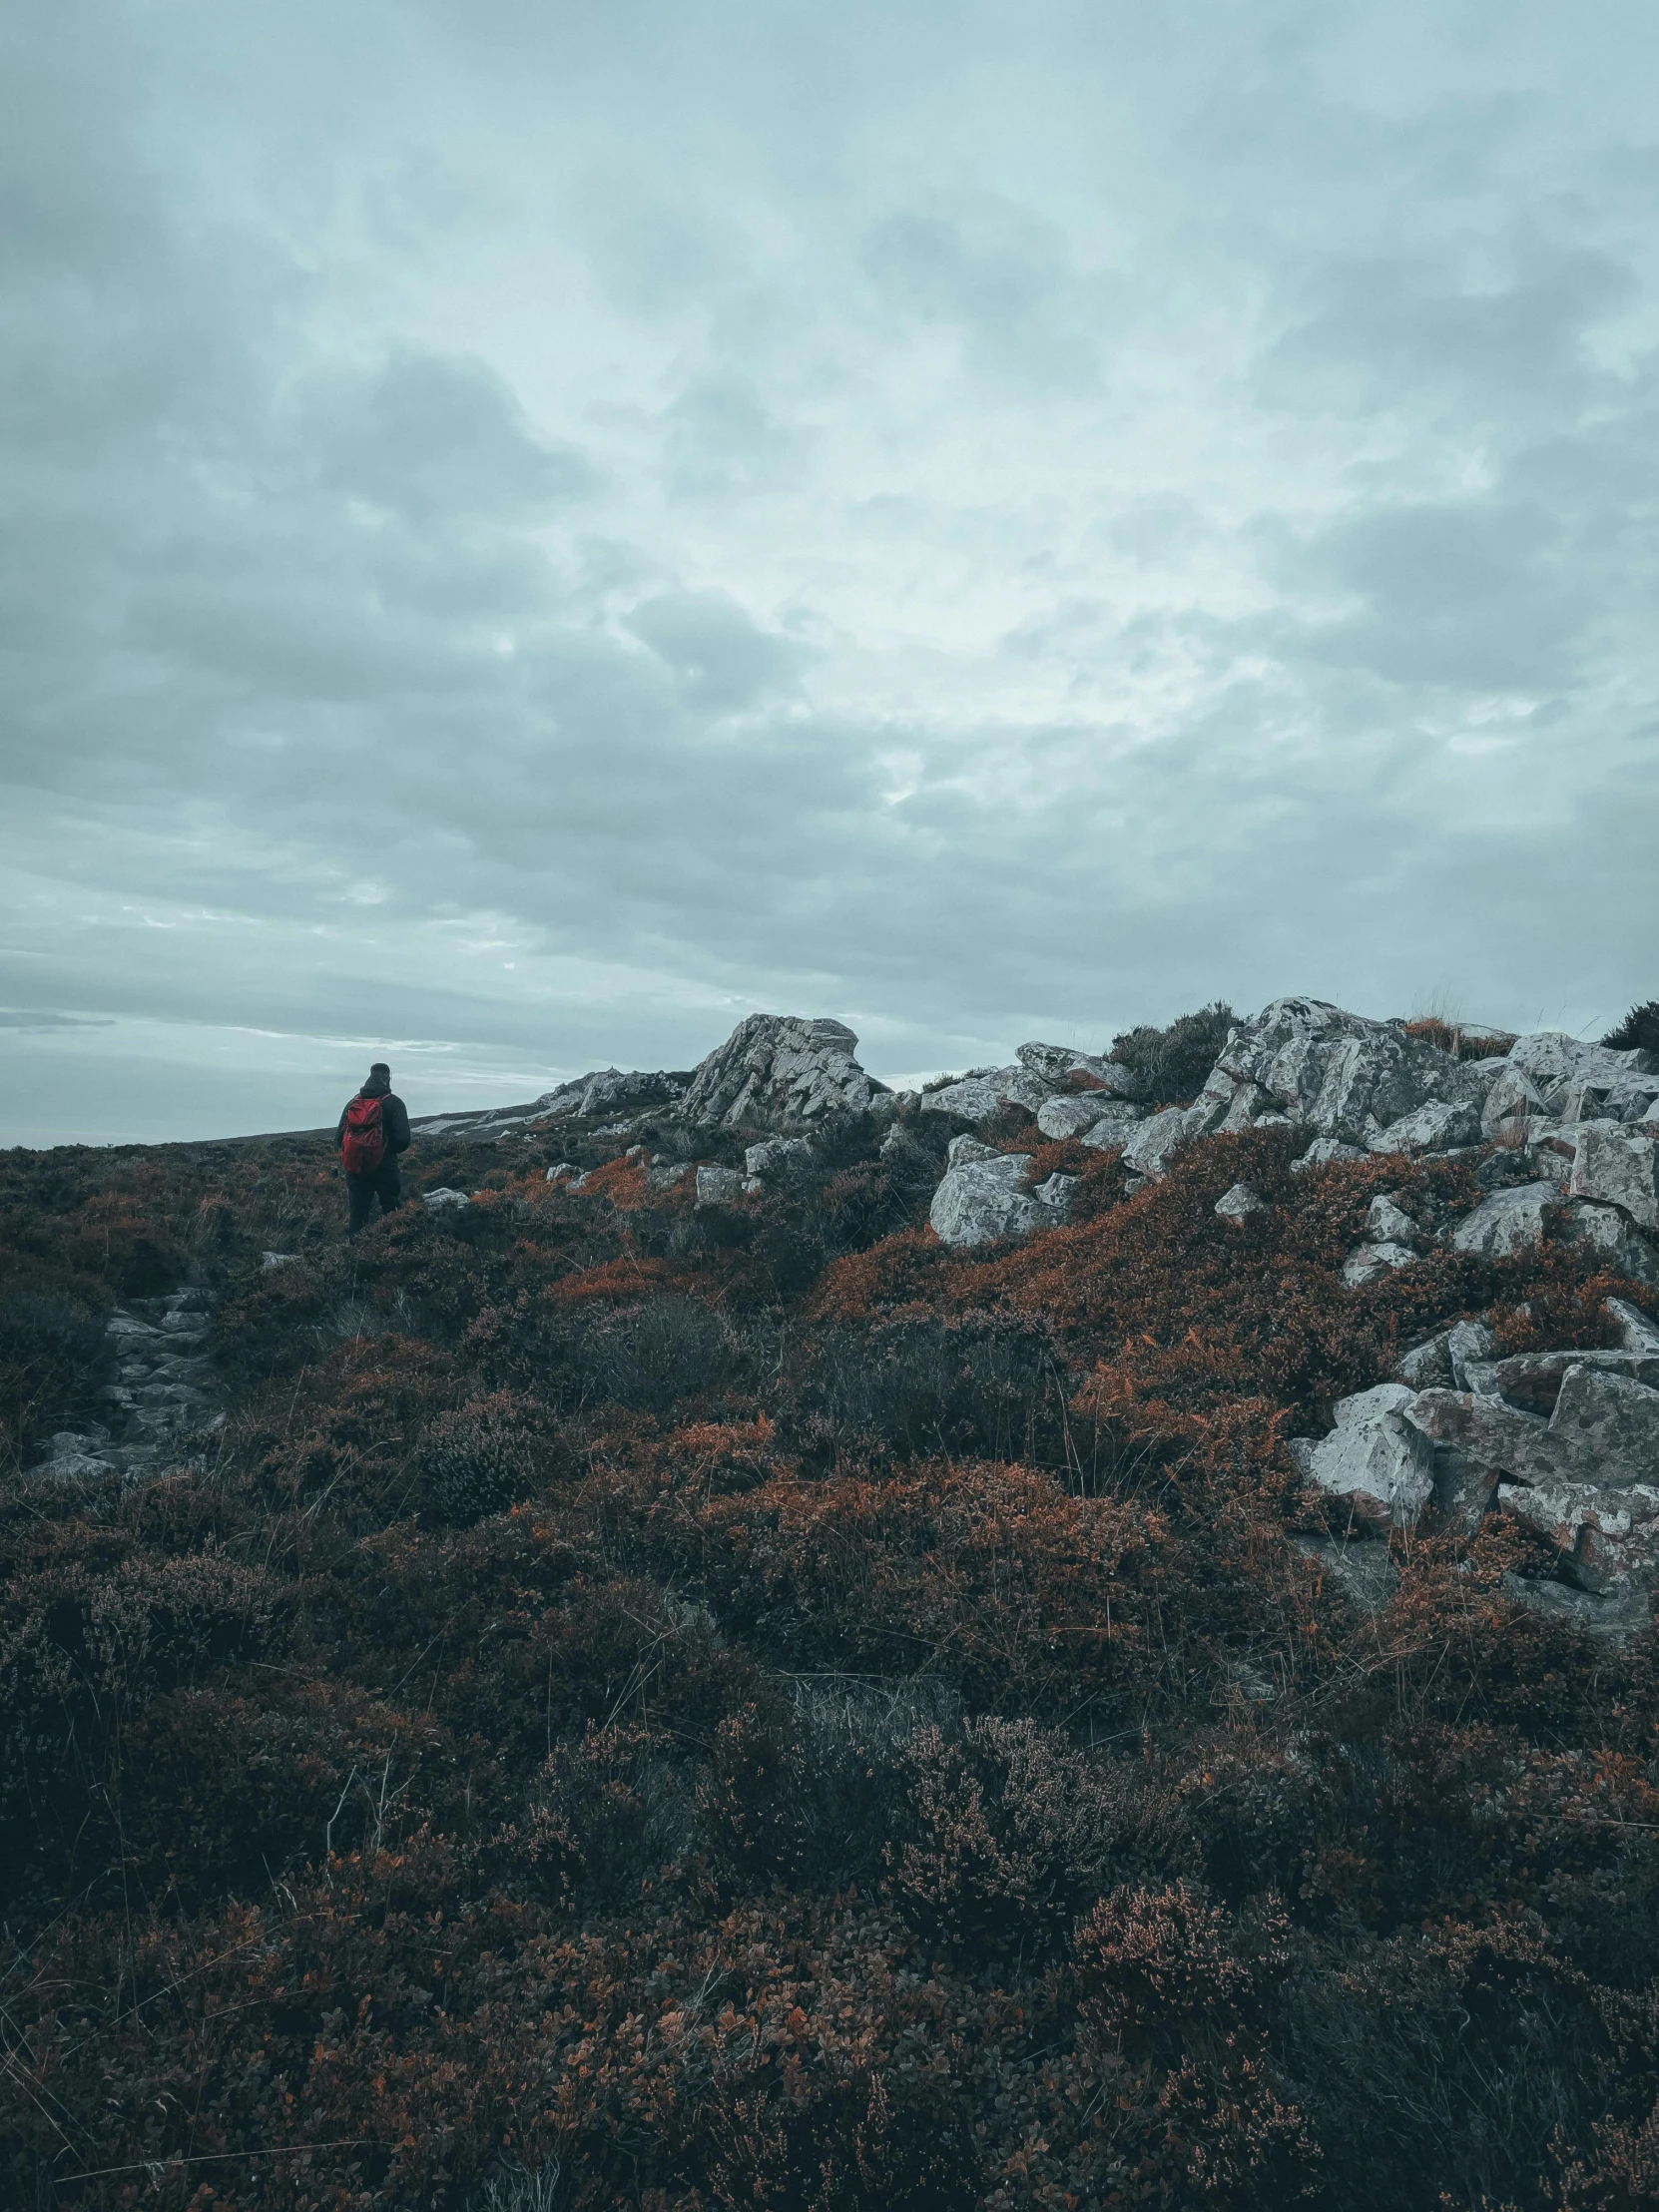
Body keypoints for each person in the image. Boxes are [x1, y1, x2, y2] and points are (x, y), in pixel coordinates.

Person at [336, 1061, 412, 1235]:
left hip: (354, 1167)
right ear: (388, 1079)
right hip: (384, 1167)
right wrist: (386, 1151)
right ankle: (391, 1250)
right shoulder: (394, 1103)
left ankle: (354, 1253)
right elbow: (403, 1139)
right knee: (390, 1210)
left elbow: (338, 1138)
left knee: (358, 1214)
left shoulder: (353, 1103)